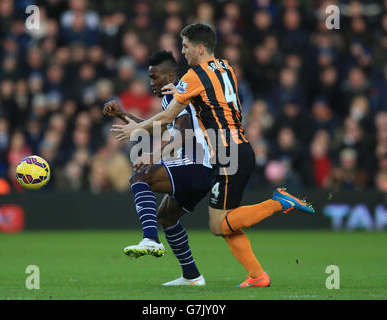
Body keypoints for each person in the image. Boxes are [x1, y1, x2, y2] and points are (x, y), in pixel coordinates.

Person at [113, 23, 315, 288]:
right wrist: (181, 93)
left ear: (199, 48)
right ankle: (257, 276)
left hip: (227, 154)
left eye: (185, 46)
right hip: (238, 149)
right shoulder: (226, 67)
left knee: (219, 225)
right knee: (226, 225)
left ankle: (279, 202)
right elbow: (213, 99)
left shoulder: (193, 76)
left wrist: (136, 128)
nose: (182, 51)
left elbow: (167, 116)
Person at [103, 50, 213, 286]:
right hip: (201, 169)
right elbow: (156, 127)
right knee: (166, 216)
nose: (151, 83)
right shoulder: (174, 98)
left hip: (195, 164)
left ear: (170, 76)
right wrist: (123, 115)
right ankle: (192, 277)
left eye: (155, 77)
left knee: (140, 176)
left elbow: (184, 132)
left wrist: (154, 155)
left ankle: (150, 239)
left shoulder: (180, 95)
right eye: (150, 77)